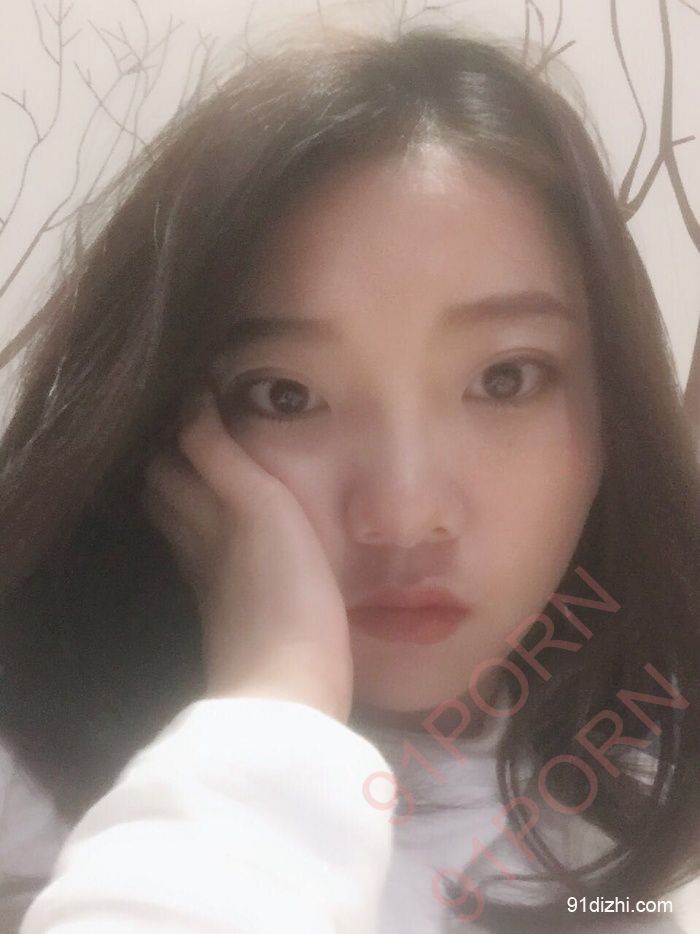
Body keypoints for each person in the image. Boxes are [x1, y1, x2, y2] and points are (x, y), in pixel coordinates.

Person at [0, 20, 699, 934]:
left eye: (506, 379)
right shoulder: (44, 822)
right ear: (163, 435)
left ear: (612, 414)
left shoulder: (613, 801)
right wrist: (277, 695)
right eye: (285, 395)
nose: (405, 513)